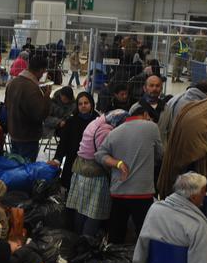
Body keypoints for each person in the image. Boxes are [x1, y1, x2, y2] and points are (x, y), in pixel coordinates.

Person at [95, 101, 163, 243]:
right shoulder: (152, 127)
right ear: (145, 115)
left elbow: (99, 155)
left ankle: (113, 262)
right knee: (143, 234)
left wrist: (118, 163)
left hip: (118, 191)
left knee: (116, 234)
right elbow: (160, 154)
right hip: (142, 192)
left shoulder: (114, 132)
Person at [65, 110, 128, 237]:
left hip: (82, 170)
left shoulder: (96, 123)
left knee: (81, 210)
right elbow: (102, 155)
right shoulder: (105, 130)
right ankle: (86, 245)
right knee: (94, 213)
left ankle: (78, 241)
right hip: (95, 174)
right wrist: (118, 163)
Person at [157, 95, 207, 199]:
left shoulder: (192, 110)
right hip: (186, 168)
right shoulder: (202, 123)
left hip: (175, 159)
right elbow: (195, 150)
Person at [4, 53, 52, 161]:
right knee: (26, 171)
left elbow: (6, 105)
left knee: (16, 167)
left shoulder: (12, 83)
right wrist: (46, 97)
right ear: (41, 70)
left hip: (14, 133)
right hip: (27, 136)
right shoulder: (32, 88)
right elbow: (41, 114)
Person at [51, 91, 96, 192]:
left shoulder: (97, 121)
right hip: (72, 162)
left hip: (92, 165)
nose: (83, 106)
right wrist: (57, 159)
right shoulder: (71, 121)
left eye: (86, 103)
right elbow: (63, 143)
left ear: (91, 103)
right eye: (80, 104)